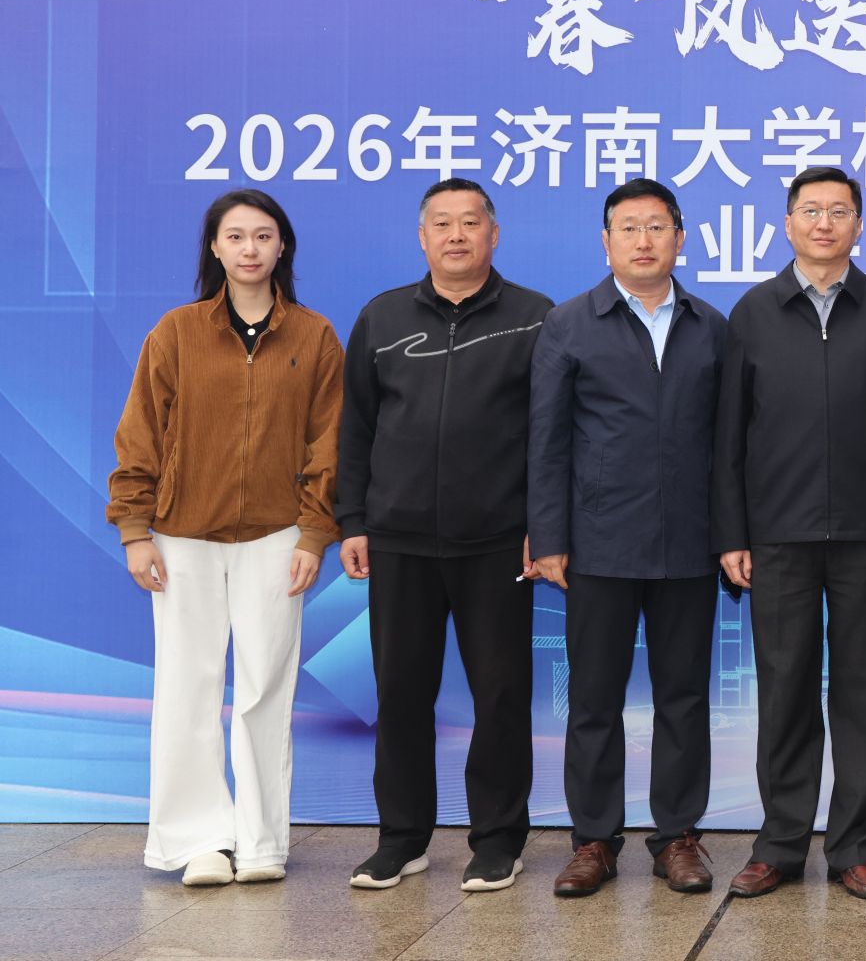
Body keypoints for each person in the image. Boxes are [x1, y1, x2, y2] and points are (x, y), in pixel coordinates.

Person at [109, 189, 342, 886]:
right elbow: (140, 431)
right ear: (214, 247)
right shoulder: (176, 332)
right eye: (235, 236)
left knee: (266, 688)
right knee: (188, 687)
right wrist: (135, 528)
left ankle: (262, 842)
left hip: (278, 536)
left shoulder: (314, 336)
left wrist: (313, 534)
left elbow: (329, 443)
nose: (249, 249)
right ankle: (198, 842)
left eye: (262, 236)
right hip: (182, 535)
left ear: (282, 246)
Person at [714, 166, 866, 901]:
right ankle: (779, 845)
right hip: (777, 533)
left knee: (865, 695)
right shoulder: (753, 312)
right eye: (811, 210)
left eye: (839, 211)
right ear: (788, 224)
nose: (825, 223)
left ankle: (857, 850)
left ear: (859, 225)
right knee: (785, 694)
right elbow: (729, 436)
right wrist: (732, 533)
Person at [337, 178, 554, 892]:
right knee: (400, 693)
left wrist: (543, 526)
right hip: (398, 539)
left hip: (499, 541)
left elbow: (552, 436)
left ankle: (498, 840)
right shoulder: (382, 316)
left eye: (470, 222)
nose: (456, 235)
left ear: (495, 234)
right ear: (422, 236)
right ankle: (402, 838)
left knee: (500, 695)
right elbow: (356, 428)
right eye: (442, 223)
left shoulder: (535, 318)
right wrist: (353, 520)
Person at [527, 178, 729, 898]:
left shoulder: (711, 326)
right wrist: (548, 536)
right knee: (594, 699)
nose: (644, 241)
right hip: (598, 542)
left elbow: (729, 443)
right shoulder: (570, 323)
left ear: (680, 238)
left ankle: (677, 837)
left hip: (689, 543)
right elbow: (546, 438)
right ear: (606, 242)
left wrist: (730, 536)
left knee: (684, 697)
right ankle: (592, 840)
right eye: (629, 228)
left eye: (657, 227)